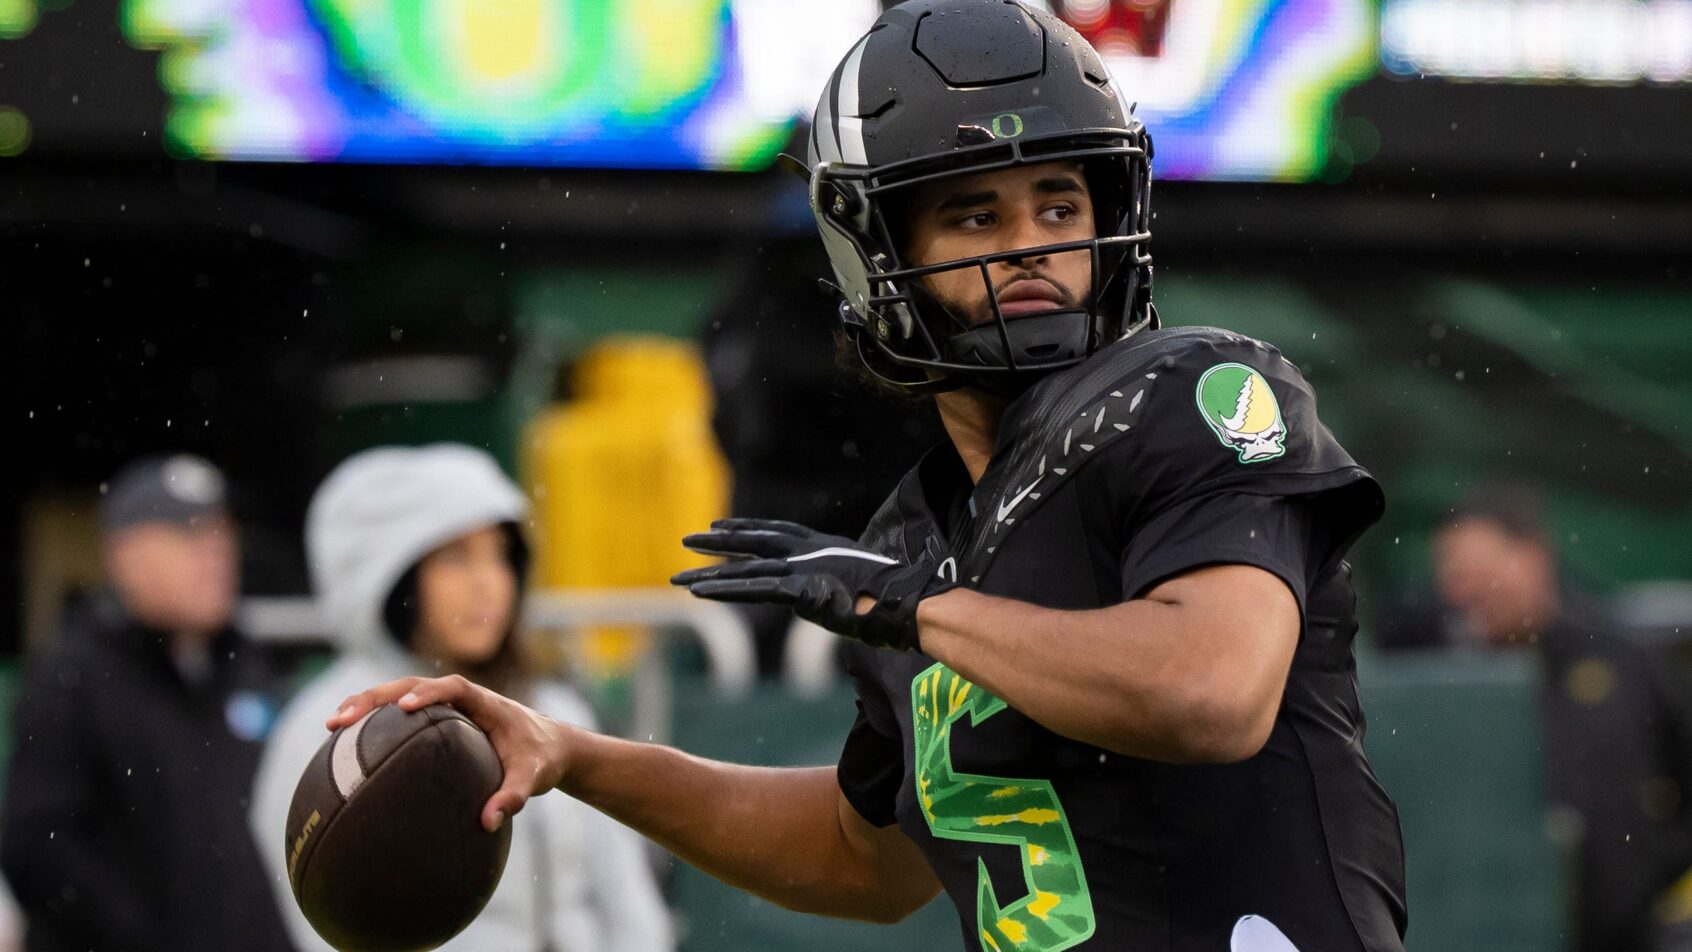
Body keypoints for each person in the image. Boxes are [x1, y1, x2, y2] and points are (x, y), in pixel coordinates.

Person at [327, 4, 1406, 950]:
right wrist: (576, 754)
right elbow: (862, 860)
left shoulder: (1194, 393)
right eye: (977, 214)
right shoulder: (912, 539)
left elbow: (1208, 692)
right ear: (874, 252)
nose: (1031, 244)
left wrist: (919, 609)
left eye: (1061, 205)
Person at [249, 443, 671, 952]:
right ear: (391, 577)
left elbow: (631, 911)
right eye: (456, 557)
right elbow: (326, 927)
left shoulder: (554, 713)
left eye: (498, 555)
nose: (487, 583)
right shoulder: (331, 727)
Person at [0, 454, 292, 952]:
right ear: (123, 553)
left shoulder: (245, 666)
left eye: (221, 532)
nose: (215, 552)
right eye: (188, 534)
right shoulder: (74, 678)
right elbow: (36, 848)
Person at [1434, 484, 1692, 952]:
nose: (1464, 591)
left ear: (1532, 556)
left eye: (1479, 572)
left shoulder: (1621, 659)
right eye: (1453, 576)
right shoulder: (1437, 681)